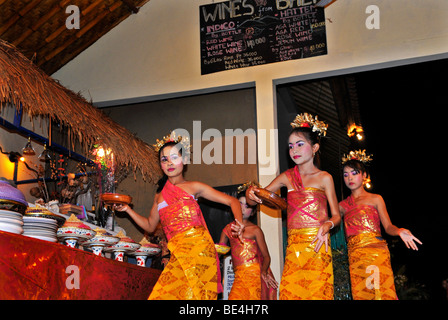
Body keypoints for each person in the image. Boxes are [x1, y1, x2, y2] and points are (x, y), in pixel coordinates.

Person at [115, 132, 244, 300]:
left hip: (200, 252)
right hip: (178, 255)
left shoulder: (194, 186)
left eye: (174, 157)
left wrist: (239, 223)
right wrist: (127, 210)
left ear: (184, 160)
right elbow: (149, 226)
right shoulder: (159, 196)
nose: (169, 163)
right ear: (160, 165)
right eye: (164, 159)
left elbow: (232, 201)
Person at [246, 113, 341, 300]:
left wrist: (327, 225)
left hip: (317, 246)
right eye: (290, 146)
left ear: (314, 147)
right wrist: (251, 193)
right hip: (294, 249)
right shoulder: (286, 177)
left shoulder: (325, 178)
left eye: (299, 144)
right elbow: (256, 199)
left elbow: (336, 215)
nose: (294, 150)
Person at [339, 150, 422, 300]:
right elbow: (327, 220)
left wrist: (399, 231)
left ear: (364, 175)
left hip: (376, 252)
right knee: (363, 295)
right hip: (356, 256)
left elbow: (388, 227)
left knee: (381, 294)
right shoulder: (342, 206)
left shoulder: (376, 199)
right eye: (345, 174)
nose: (349, 177)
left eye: (354, 173)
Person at [219, 190, 278, 300]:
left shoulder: (255, 230)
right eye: (240, 204)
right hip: (239, 276)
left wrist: (264, 272)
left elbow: (266, 257)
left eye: (247, 206)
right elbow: (219, 251)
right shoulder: (228, 229)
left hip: (254, 275)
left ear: (253, 212)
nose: (242, 208)